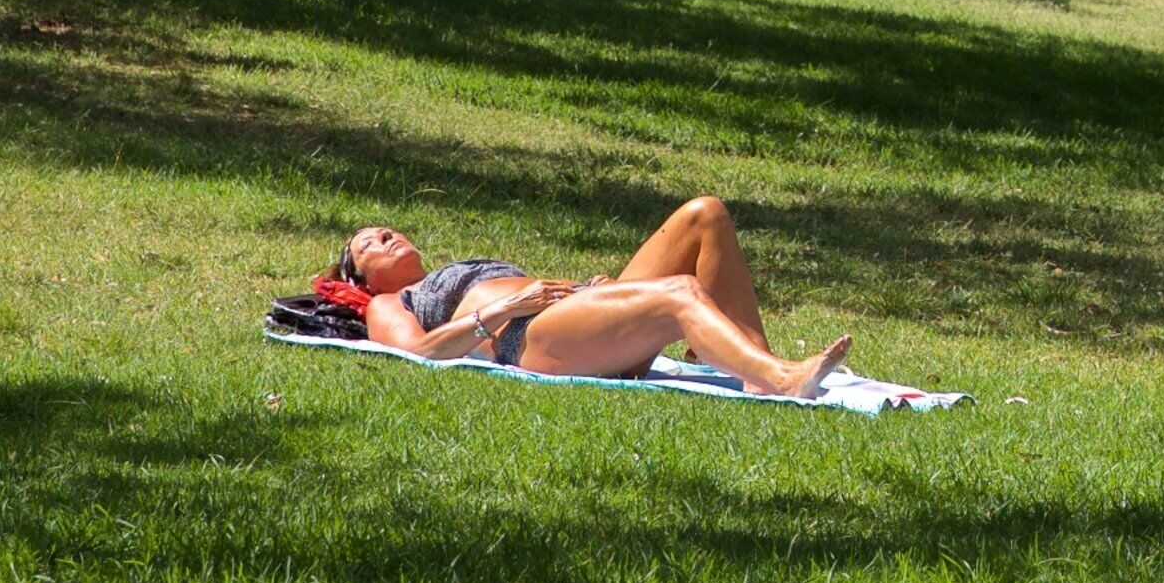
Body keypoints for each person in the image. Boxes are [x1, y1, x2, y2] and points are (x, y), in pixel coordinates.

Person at [327, 195, 850, 397]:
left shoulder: (448, 269)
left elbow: (541, 296)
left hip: (565, 319)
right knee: (680, 292)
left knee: (704, 214)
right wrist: (504, 308)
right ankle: (782, 379)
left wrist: (585, 292)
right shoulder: (386, 304)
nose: (385, 234)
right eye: (369, 242)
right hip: (525, 339)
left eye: (386, 228)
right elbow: (416, 354)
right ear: (363, 279)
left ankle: (758, 375)